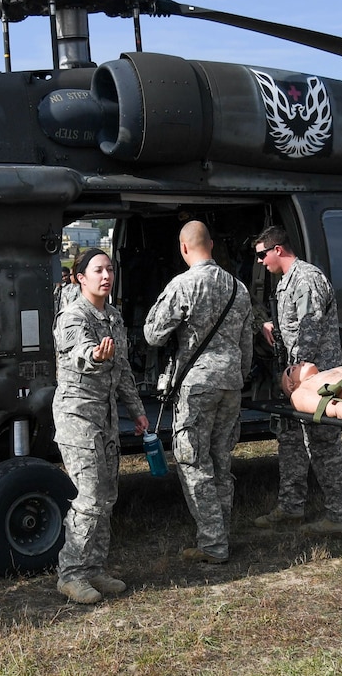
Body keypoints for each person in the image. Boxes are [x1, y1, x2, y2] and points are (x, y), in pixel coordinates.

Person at [143, 221, 254, 564]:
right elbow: (246, 344)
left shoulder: (184, 285)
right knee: (221, 461)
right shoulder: (239, 289)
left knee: (193, 460)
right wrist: (239, 373)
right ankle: (220, 533)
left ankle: (212, 543)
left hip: (197, 385)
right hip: (231, 383)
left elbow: (152, 333)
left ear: (184, 247)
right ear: (212, 244)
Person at [52, 248, 149, 604]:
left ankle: (94, 568)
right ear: (81, 277)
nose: (106, 276)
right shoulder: (73, 316)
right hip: (78, 418)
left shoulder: (113, 316)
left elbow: (122, 369)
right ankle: (71, 574)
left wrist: (136, 411)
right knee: (89, 496)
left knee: (107, 495)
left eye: (110, 270)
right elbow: (81, 350)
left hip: (105, 416)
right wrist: (94, 355)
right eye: (98, 271)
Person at [253, 226, 342, 535]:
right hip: (296, 379)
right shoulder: (287, 282)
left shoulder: (307, 278)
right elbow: (295, 326)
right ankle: (291, 507)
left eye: (262, 255)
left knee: (324, 445)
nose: (260, 262)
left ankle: (340, 516)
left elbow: (309, 330)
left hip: (315, 379)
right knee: (290, 441)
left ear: (278, 250)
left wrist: (296, 371)